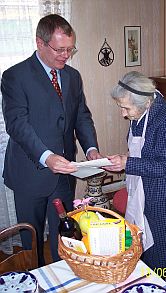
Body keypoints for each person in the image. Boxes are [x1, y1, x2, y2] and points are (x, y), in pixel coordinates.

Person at [1, 14, 101, 266]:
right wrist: (47, 157)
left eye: (70, 49)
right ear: (40, 43)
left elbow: (81, 116)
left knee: (64, 238)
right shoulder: (14, 76)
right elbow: (17, 125)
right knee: (31, 243)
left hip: (65, 173)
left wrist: (91, 149)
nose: (66, 55)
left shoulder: (73, 77)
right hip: (29, 173)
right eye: (60, 49)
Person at [106, 71, 166, 272]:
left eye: (125, 108)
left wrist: (127, 164)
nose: (123, 114)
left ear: (144, 102)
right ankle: (147, 278)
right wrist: (122, 160)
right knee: (144, 246)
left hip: (165, 194)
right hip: (143, 189)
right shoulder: (140, 111)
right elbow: (139, 149)